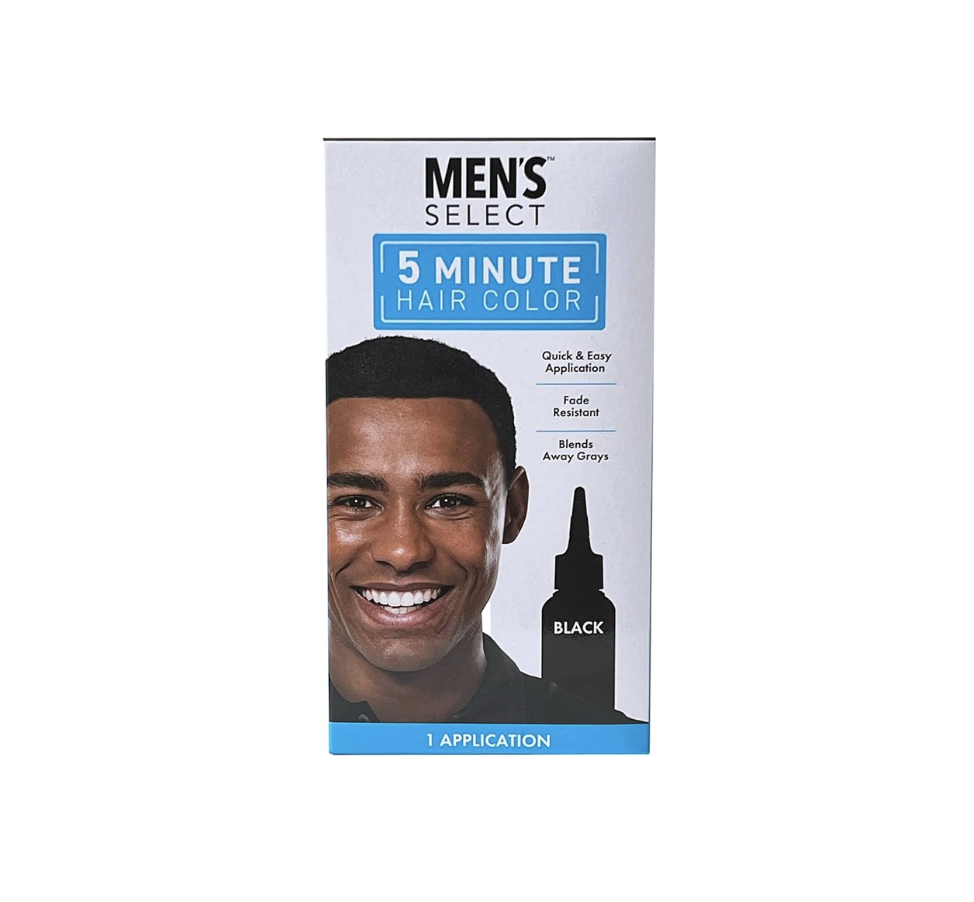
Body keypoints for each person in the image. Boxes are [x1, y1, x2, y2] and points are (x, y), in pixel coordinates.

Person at [327, 336, 638, 724]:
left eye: (448, 502)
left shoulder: (602, 740)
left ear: (513, 509)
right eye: (356, 503)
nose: (403, 552)